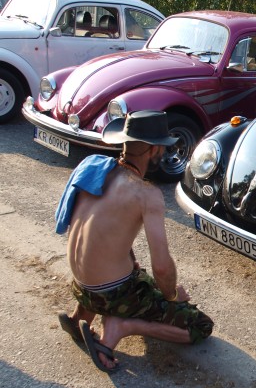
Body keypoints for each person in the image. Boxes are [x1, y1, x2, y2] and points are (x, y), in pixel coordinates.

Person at [55, 111, 213, 372]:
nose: (164, 153)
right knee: (200, 326)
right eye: (163, 147)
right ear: (154, 149)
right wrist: (173, 297)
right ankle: (121, 326)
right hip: (111, 294)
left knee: (137, 275)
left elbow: (99, 229)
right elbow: (162, 267)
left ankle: (80, 316)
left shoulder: (95, 168)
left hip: (81, 286)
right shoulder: (146, 194)